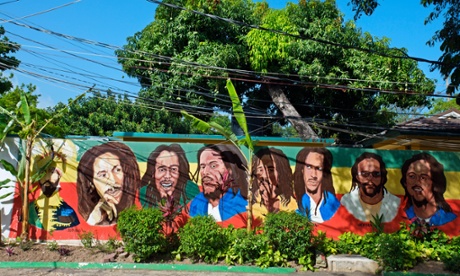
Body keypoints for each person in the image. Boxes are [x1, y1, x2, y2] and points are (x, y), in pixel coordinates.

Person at [188, 144, 251, 228]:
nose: (205, 172)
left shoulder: (242, 204)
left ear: (230, 170)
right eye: (202, 166)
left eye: (213, 166)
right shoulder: (196, 203)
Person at [77, 142, 140, 226]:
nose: (113, 180)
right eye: (103, 175)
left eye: (117, 170)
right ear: (91, 183)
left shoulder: (141, 207)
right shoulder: (94, 216)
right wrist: (94, 218)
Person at [29, 140, 79, 233]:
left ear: (60, 175)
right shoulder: (29, 209)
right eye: (43, 172)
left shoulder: (67, 211)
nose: (47, 177)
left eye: (52, 172)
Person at [341, 152, 400, 223]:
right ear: (357, 177)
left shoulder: (396, 203)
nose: (370, 178)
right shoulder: (346, 201)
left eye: (376, 174)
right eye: (364, 174)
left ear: (383, 177)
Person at [400, 152, 457, 227]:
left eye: (423, 177)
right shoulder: (402, 217)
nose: (417, 182)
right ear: (405, 182)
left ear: (435, 183)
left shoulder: (450, 219)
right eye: (412, 176)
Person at [139, 144, 199, 210]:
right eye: (162, 169)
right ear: (153, 173)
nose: (167, 176)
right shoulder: (142, 194)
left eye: (173, 169)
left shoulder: (191, 192)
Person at [294, 147, 340, 223]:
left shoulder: (334, 204)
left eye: (319, 168)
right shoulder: (297, 203)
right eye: (309, 167)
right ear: (302, 170)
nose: (313, 175)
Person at [251, 147, 296, 214]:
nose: (265, 176)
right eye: (260, 170)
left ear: (282, 172)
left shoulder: (294, 204)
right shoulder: (250, 203)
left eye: (271, 170)